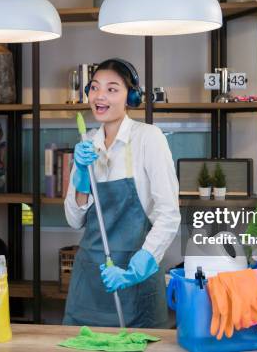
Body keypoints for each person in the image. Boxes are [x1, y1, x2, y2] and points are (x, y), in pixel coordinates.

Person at [62, 58, 181, 328]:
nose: (100, 96)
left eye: (112, 89)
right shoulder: (86, 143)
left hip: (135, 279)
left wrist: (142, 263)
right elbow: (74, 220)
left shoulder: (148, 138)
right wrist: (80, 175)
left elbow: (169, 214)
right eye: (94, 88)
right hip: (90, 281)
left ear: (131, 96)